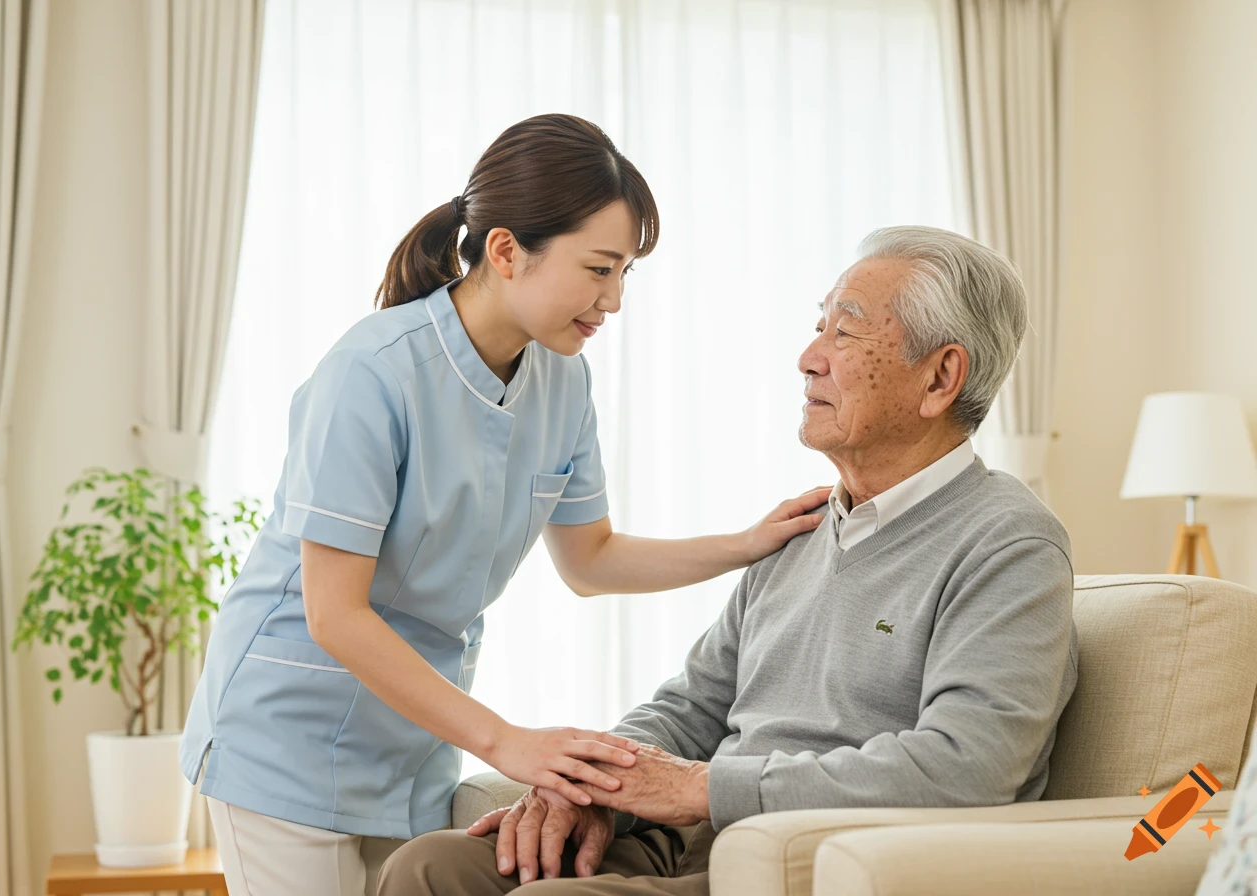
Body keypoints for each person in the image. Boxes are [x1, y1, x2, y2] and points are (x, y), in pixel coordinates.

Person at [177, 113, 829, 896]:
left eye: (625, 273)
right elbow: (334, 614)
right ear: (506, 251)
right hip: (285, 736)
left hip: (414, 741)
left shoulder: (563, 378)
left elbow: (591, 560)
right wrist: (507, 743)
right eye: (598, 269)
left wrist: (748, 543)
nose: (614, 300)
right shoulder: (372, 373)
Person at [378, 225, 1081, 895]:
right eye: (818, 325)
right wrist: (591, 787)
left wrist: (698, 788)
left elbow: (969, 767)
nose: (809, 357)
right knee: (431, 870)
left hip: (810, 859)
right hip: (697, 838)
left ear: (939, 378)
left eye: (847, 329)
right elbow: (691, 709)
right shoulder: (800, 531)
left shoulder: (1008, 543)